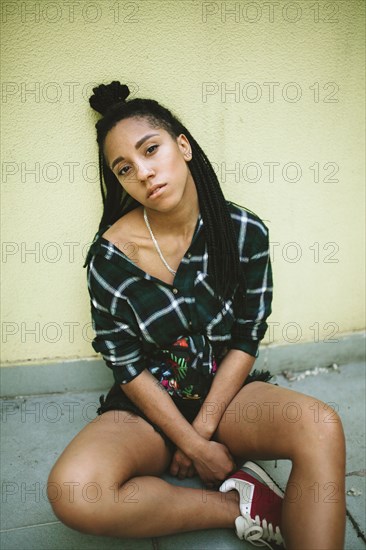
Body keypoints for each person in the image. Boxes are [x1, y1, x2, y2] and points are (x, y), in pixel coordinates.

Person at [47, 81, 346, 549]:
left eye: (151, 150)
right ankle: (241, 505)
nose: (143, 172)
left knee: (321, 424)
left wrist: (204, 431)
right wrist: (190, 445)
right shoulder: (110, 259)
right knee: (74, 493)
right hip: (149, 410)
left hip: (228, 399)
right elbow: (124, 363)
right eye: (124, 168)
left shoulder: (244, 232)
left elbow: (247, 336)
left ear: (182, 146)